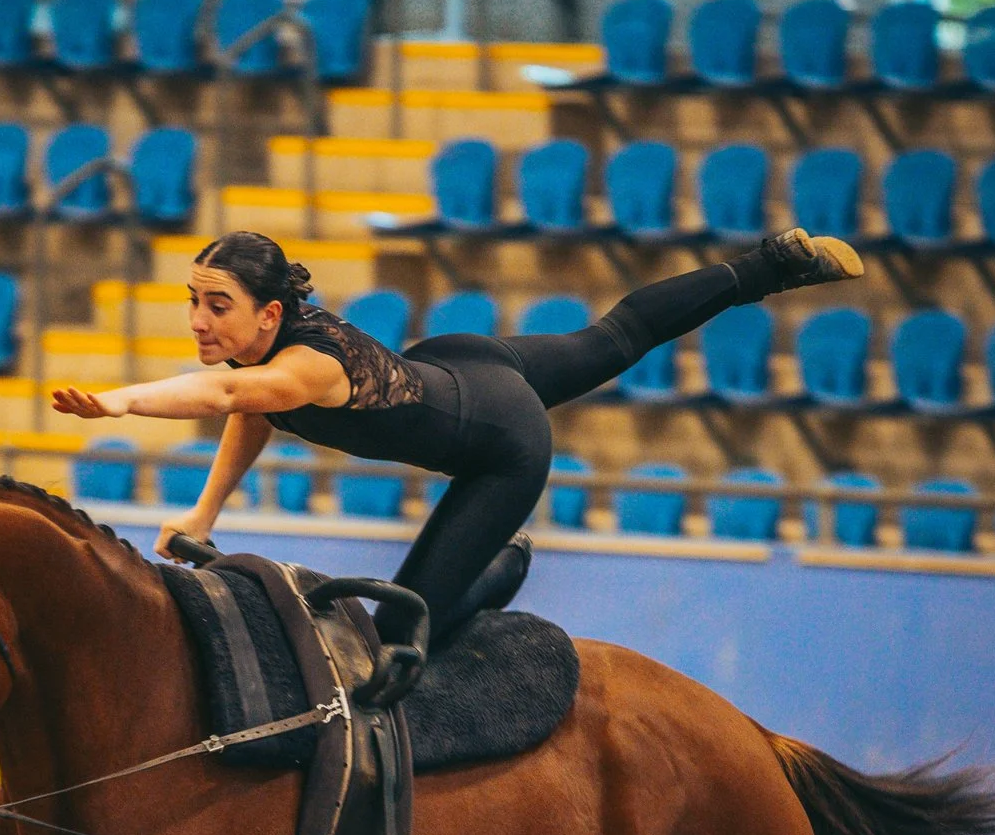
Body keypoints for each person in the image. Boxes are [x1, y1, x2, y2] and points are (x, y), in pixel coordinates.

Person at [48, 226, 864, 638]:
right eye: (192, 302)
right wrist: (203, 515)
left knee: (401, 632)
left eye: (214, 305)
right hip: (461, 366)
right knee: (615, 337)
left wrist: (119, 404)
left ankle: (500, 566)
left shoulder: (306, 367)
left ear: (267, 313)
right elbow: (246, 412)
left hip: (503, 444)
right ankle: (771, 262)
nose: (197, 321)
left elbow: (227, 393)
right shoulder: (273, 356)